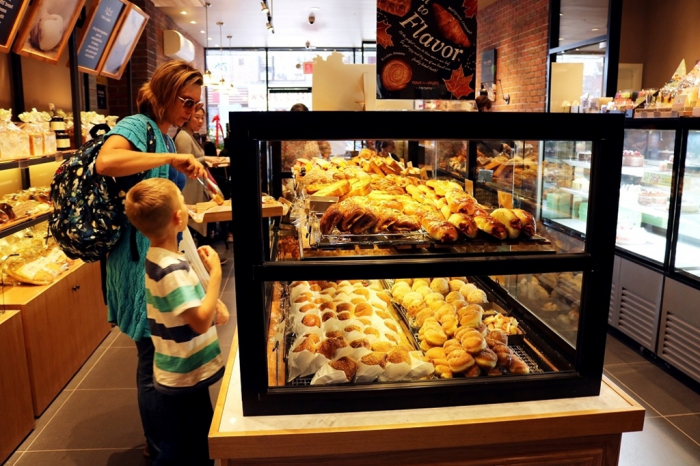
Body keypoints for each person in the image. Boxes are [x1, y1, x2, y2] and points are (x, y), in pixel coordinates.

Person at [95, 59, 206, 461]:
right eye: (186, 101)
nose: (191, 111)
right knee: (151, 351)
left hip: (158, 252)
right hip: (136, 256)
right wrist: (167, 161)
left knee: (162, 347)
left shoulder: (166, 136)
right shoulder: (135, 125)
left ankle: (170, 439)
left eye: (196, 104)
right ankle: (161, 450)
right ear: (164, 92)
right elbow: (106, 162)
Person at [125, 177, 228, 466]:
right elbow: (198, 320)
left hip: (182, 371)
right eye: (183, 201)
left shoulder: (161, 256)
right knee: (184, 449)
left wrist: (210, 301)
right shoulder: (171, 268)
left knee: (190, 441)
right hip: (184, 375)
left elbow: (186, 305)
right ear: (179, 217)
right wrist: (215, 276)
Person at [175, 105, 226, 241]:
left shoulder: (191, 135)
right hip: (189, 188)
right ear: (188, 117)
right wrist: (206, 158)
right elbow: (184, 163)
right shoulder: (183, 137)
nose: (200, 121)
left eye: (202, 118)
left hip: (196, 185)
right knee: (189, 232)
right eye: (196, 117)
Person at [280, 102, 331, 170]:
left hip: (312, 176)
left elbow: (326, 149)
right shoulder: (285, 136)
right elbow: (279, 161)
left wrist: (322, 164)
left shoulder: (314, 131)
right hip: (290, 177)